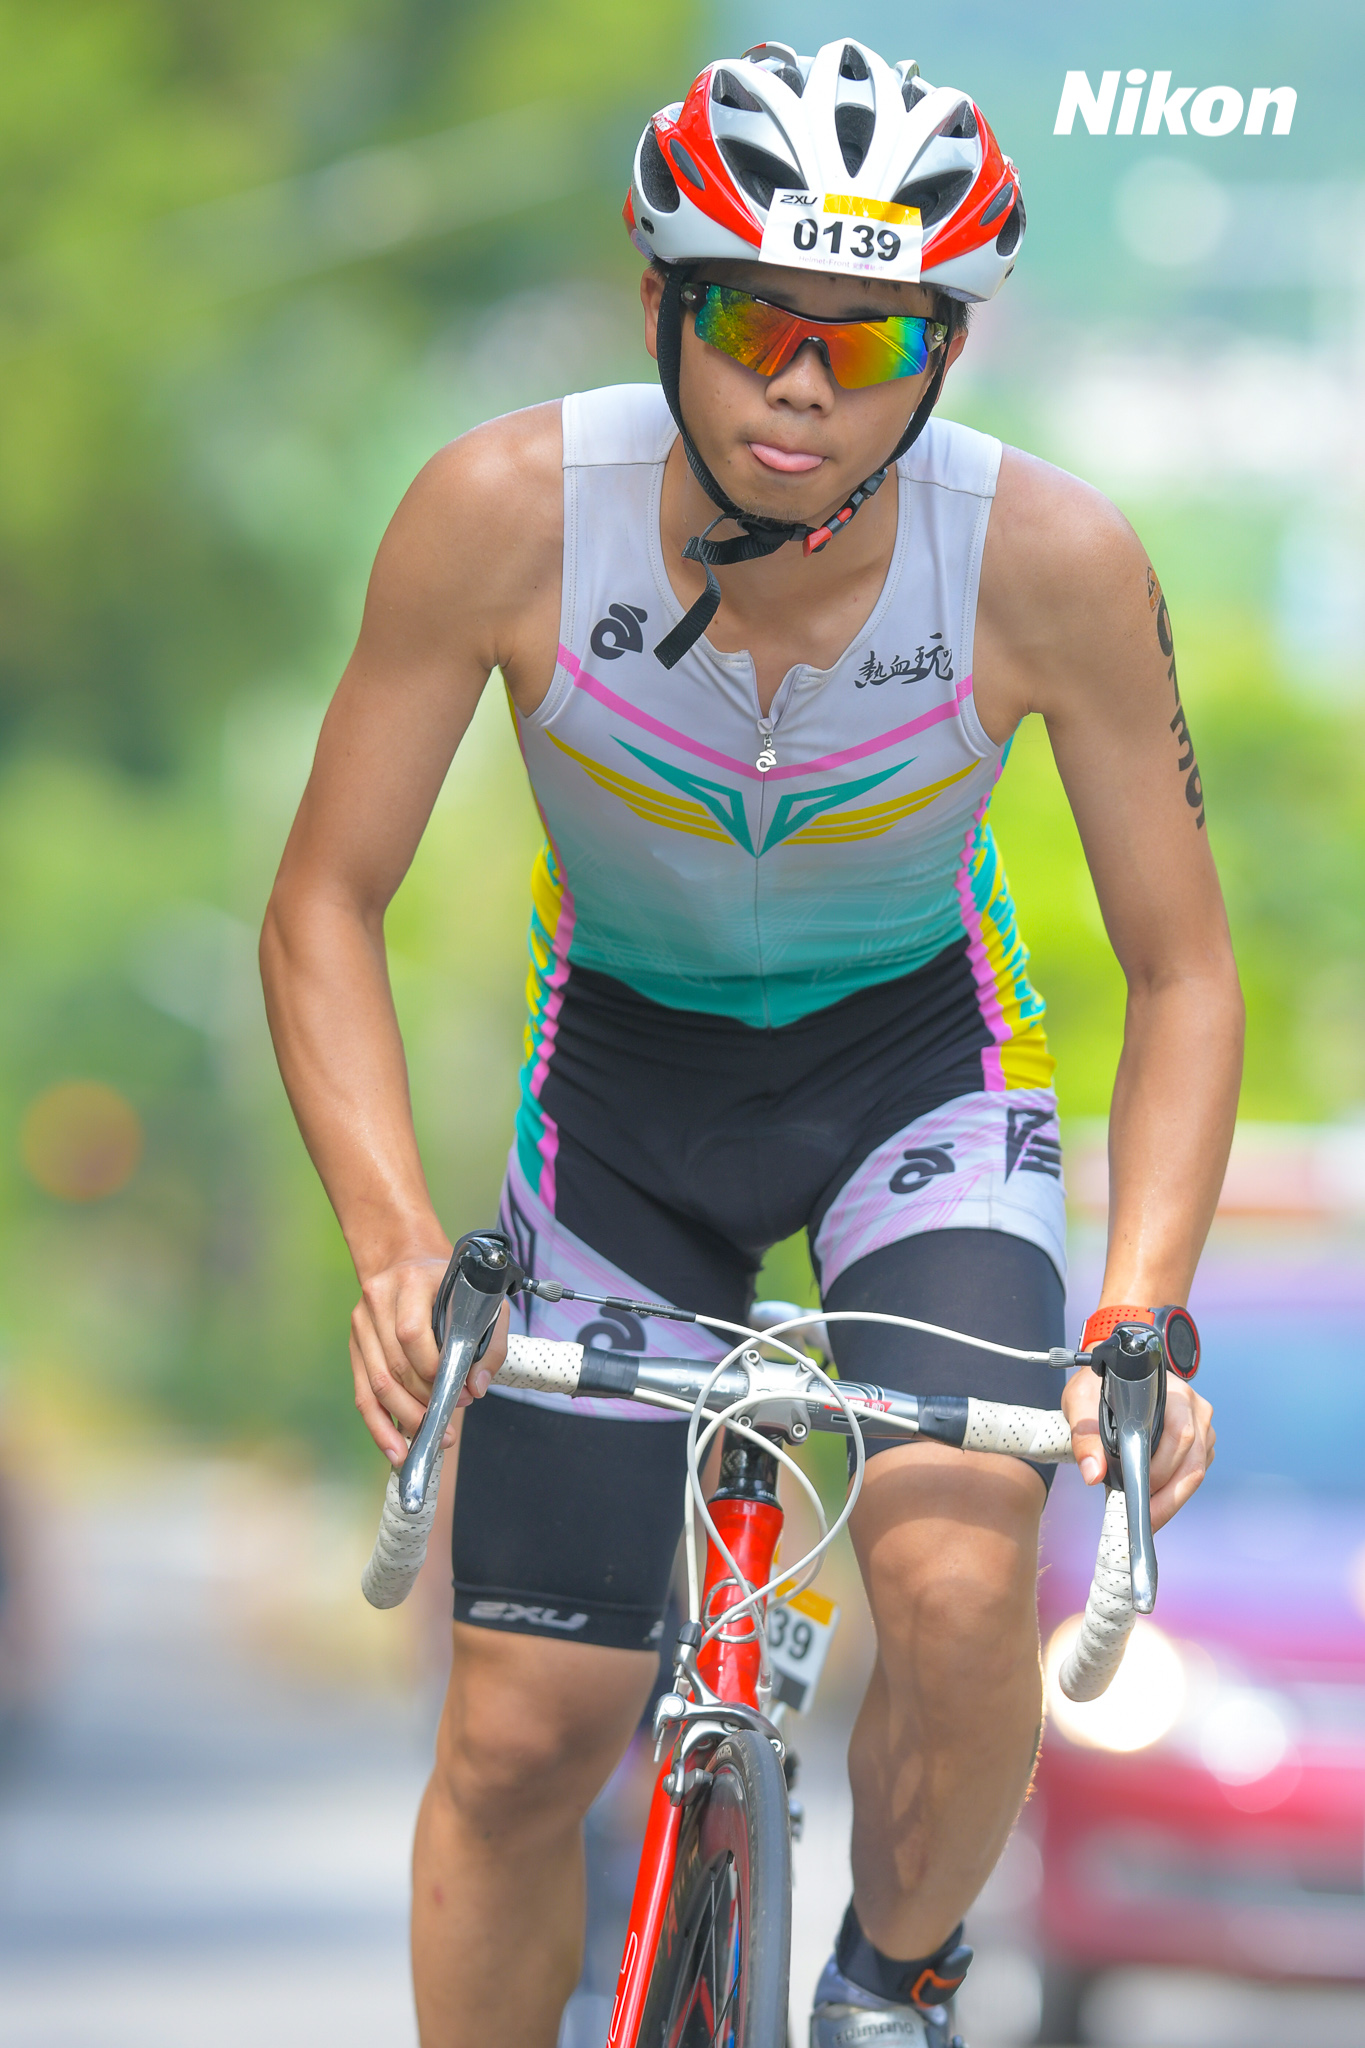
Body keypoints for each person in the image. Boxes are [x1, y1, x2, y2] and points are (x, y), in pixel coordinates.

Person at [261, 36, 1234, 2048]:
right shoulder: (501, 516)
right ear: (658, 308)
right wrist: (387, 1241)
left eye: (860, 345)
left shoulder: (1046, 559)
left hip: (918, 1082)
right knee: (524, 1731)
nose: (798, 388)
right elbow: (322, 903)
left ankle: (892, 1980)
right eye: (748, 325)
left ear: (939, 358)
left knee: (956, 1580)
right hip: (622, 1100)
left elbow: (1183, 970)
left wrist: (1139, 1311)